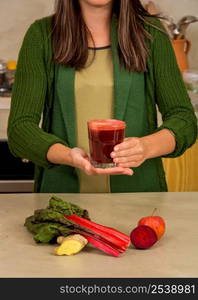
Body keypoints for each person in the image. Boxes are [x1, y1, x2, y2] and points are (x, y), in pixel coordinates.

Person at [7, 0, 197, 193]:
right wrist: (67, 156)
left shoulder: (150, 33)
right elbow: (20, 129)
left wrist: (146, 147)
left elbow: (184, 120)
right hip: (62, 200)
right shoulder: (41, 35)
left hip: (139, 199)